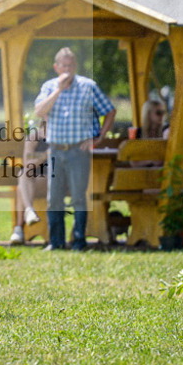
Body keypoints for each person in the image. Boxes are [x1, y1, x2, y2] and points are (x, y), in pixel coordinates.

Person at [33, 47, 116, 250]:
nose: (67, 70)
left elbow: (109, 110)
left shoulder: (88, 86)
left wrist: (99, 137)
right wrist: (58, 90)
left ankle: (79, 241)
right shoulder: (49, 87)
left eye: (70, 66)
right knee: (54, 199)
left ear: (75, 66)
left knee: (79, 197)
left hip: (79, 151)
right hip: (55, 150)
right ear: (56, 67)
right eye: (63, 66)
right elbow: (39, 111)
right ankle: (56, 242)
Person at [9, 121, 48, 244]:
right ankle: (29, 211)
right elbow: (27, 164)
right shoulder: (34, 137)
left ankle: (18, 229)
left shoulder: (63, 136)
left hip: (56, 180)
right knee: (23, 175)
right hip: (36, 181)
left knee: (22, 188)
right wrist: (45, 156)